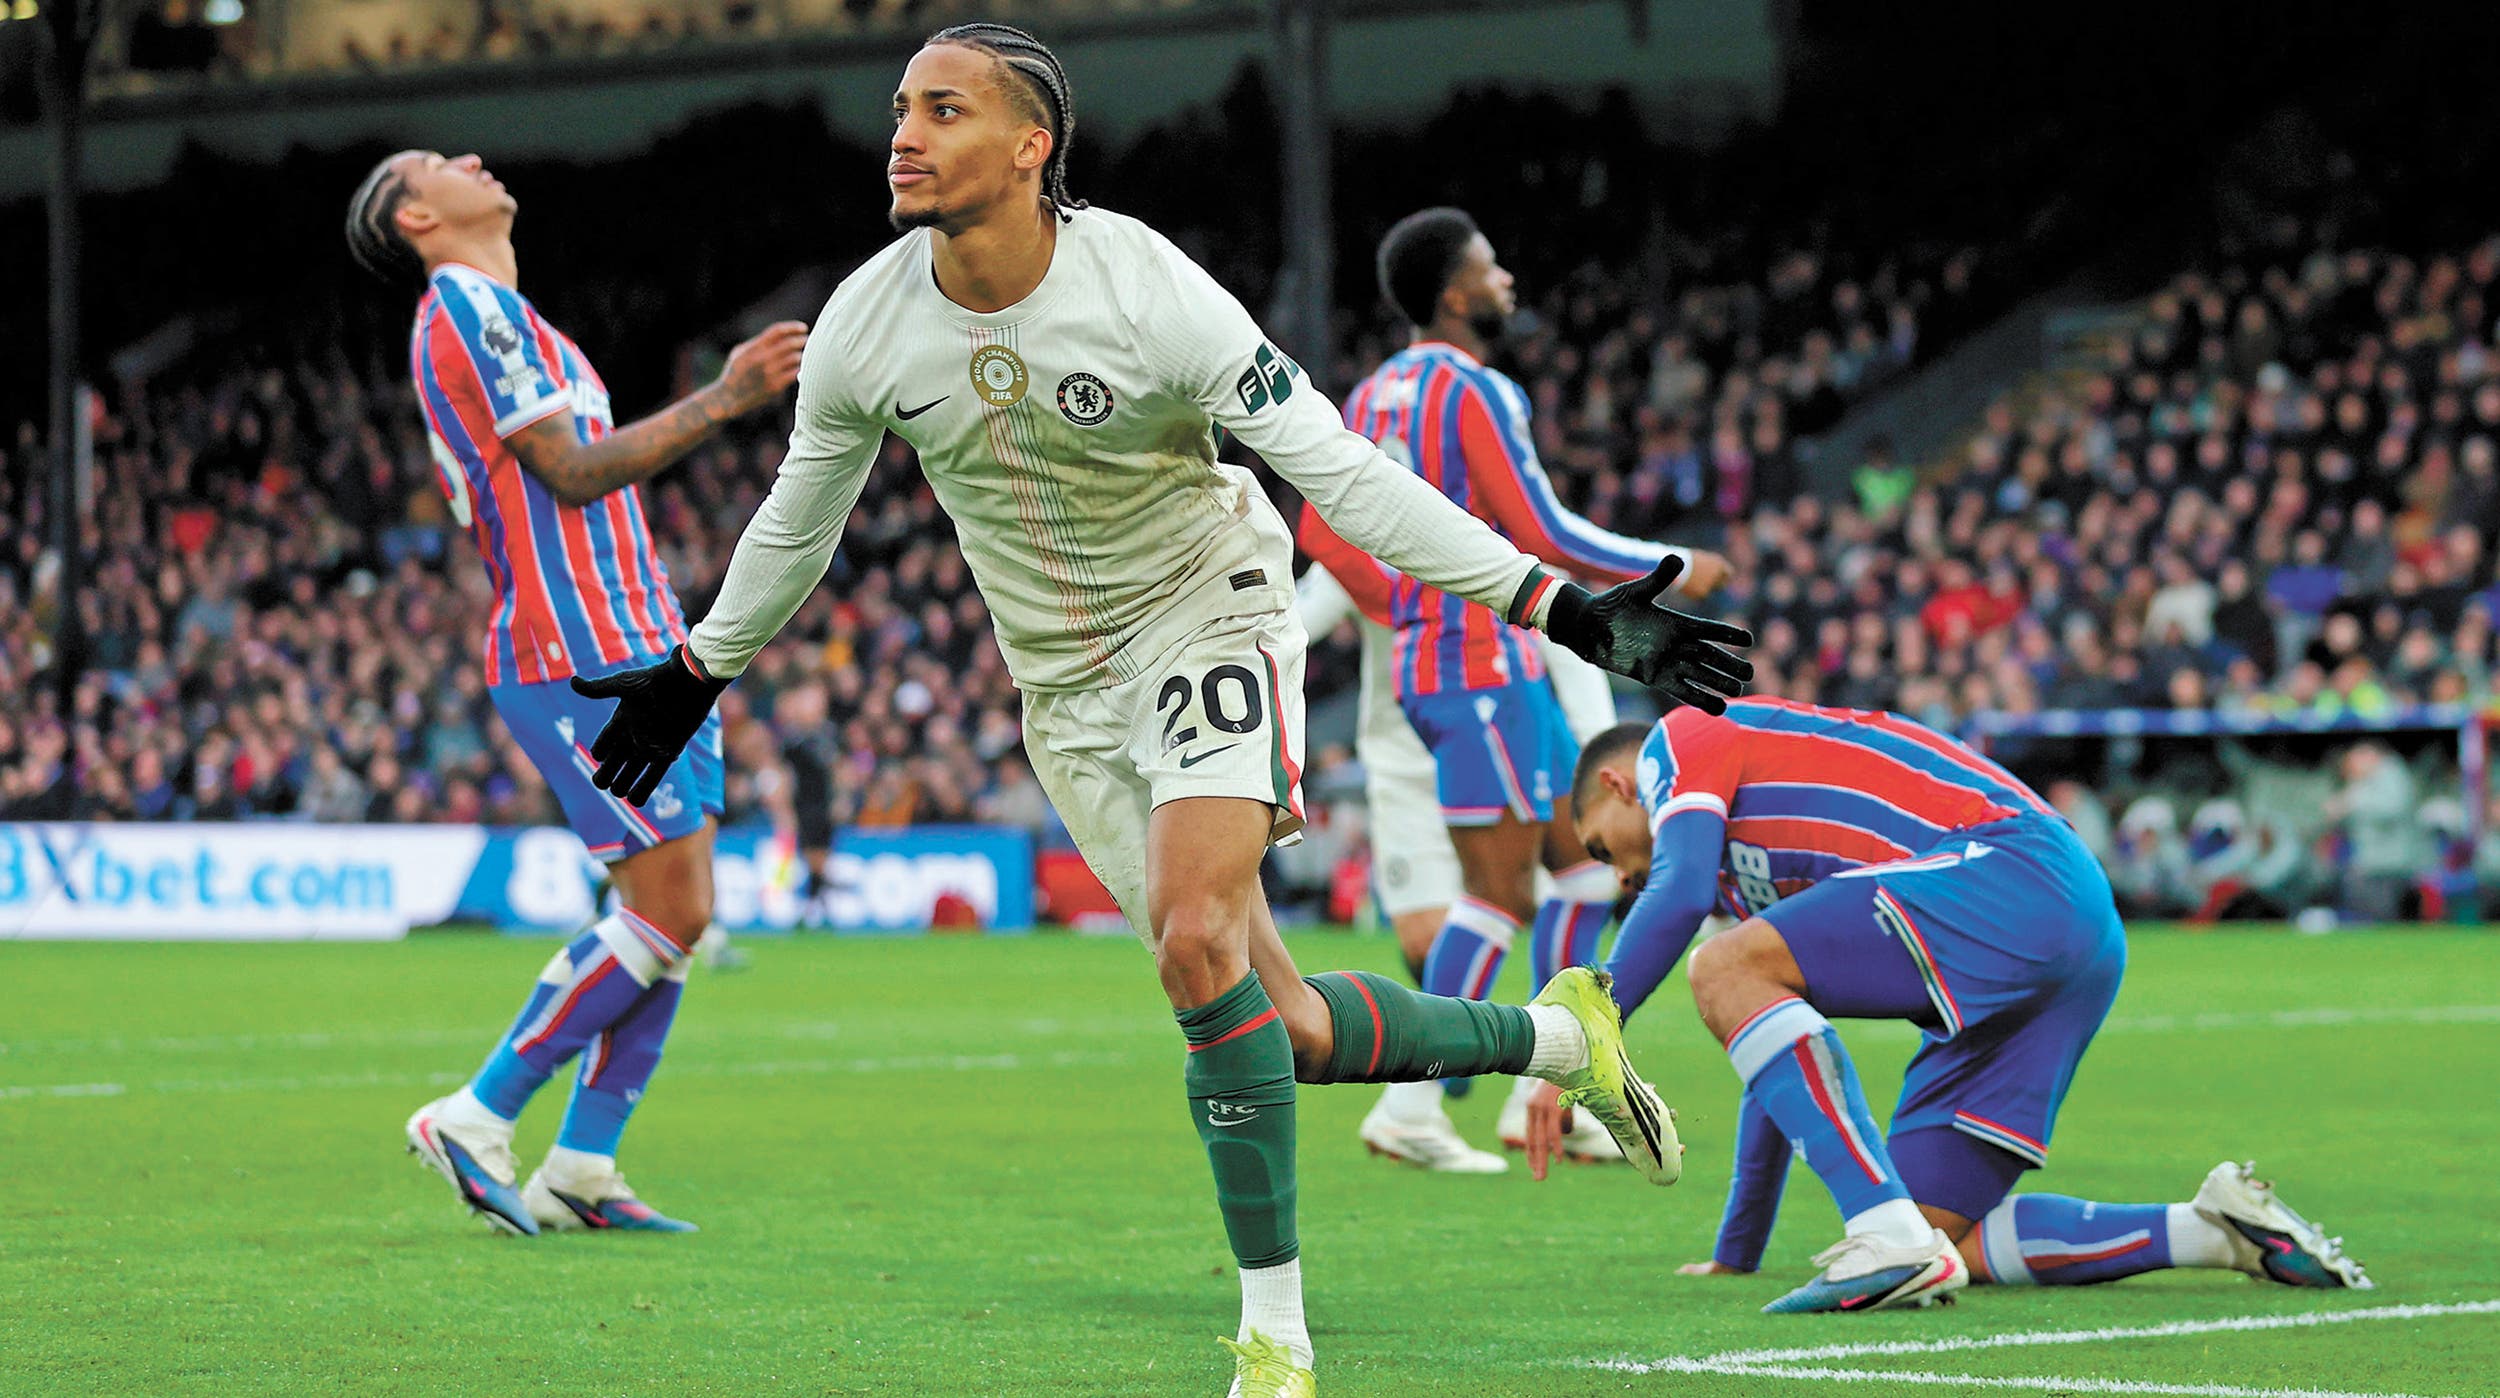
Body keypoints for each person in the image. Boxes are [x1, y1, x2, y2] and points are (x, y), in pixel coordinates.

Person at [565, 24, 1749, 1395]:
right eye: (899, 110)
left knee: (1196, 942)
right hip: (1063, 691)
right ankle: (1557, 1036)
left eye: (942, 111)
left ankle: (1275, 1337)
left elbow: (1342, 474)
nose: (904, 136)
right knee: (1286, 1028)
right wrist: (699, 665)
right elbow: (797, 522)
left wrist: (1557, 605)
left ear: (1031, 147)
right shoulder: (865, 323)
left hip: (1209, 610)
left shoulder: (1148, 291)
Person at [1533, 702, 2372, 1313]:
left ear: (1620, 783)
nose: (1620, 876)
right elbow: (1774, 1058)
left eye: (1603, 846)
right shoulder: (1740, 885)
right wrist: (1737, 1252)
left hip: (2008, 865)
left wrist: (1581, 1035)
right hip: (2075, 925)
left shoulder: (1682, 737)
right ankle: (2217, 1230)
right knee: (1943, 1235)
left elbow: (1678, 897)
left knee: (1721, 966)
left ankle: (1882, 1234)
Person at [345, 147, 808, 1235]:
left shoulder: (515, 320)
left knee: (677, 911)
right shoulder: (467, 311)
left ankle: (582, 1167)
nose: (469, 160)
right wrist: (726, 398)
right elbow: (571, 471)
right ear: (415, 218)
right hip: (578, 647)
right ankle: (477, 1113)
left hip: (642, 639)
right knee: (669, 911)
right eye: (436, 164)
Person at [1296, 207, 1736, 1173]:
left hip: (1472, 663)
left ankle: (1545, 1096)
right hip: (1475, 664)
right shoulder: (1474, 389)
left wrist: (1395, 603)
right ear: (1456, 294)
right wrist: (1673, 563)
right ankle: (1409, 1106)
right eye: (1491, 267)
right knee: (1496, 895)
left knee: (1579, 871)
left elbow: (1323, 524)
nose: (1506, 281)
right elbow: (1542, 528)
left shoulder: (1371, 394)